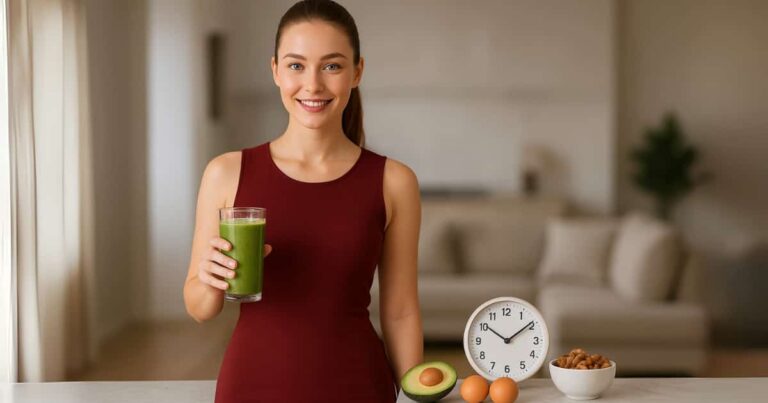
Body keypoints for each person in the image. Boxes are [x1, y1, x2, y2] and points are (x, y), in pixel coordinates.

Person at [182, 1, 423, 401]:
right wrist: (210, 279)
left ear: (357, 71)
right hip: (253, 384)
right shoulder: (225, 172)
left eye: (332, 66)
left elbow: (400, 312)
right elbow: (200, 307)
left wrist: (419, 393)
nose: (312, 85)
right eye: (296, 65)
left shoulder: (394, 181)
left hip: (358, 386)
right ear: (275, 70)